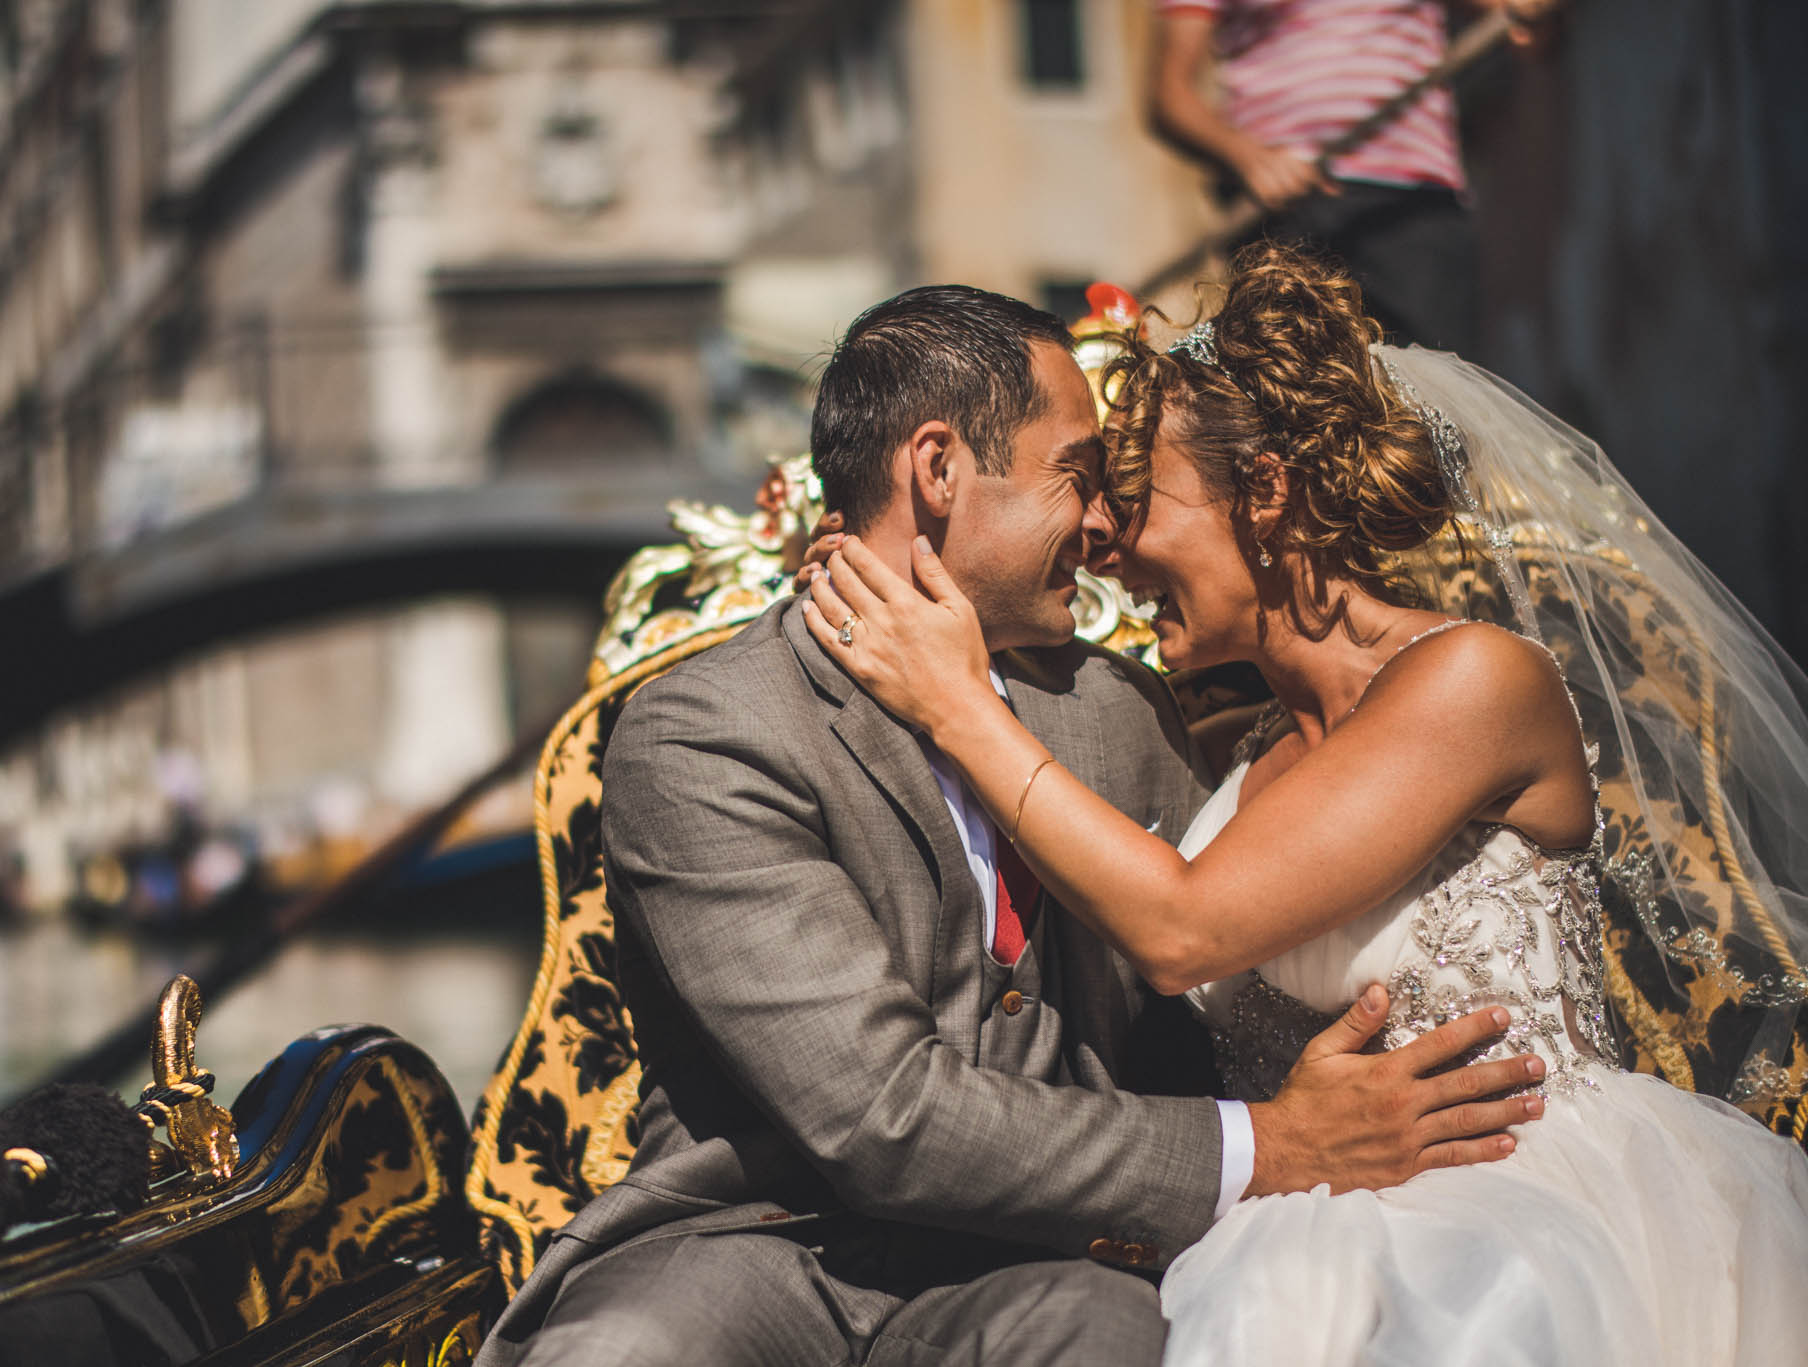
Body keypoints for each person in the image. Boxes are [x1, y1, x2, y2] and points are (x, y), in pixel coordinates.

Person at [475, 284, 1544, 1367]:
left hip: (1048, 1257)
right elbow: (877, 1114)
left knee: (1106, 1336)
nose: (1102, 528)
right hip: (763, 1245)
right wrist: (1264, 1142)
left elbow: (1204, 1001)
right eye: (1077, 477)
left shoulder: (1118, 711)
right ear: (937, 470)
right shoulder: (711, 729)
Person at [801, 244, 1808, 1364]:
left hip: (1522, 1201)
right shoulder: (1231, 765)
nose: (1111, 549)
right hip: (1291, 1208)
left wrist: (953, 702)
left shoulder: (1473, 679)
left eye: (1136, 503)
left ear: (1266, 492)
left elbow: (1183, 929)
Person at [1150, 0, 1557, 355]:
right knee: (1289, 395)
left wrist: (1527, 13)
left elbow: (1518, 17)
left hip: (1411, 204)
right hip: (1280, 212)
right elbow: (1170, 98)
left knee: (1437, 400)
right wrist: (1249, 158)